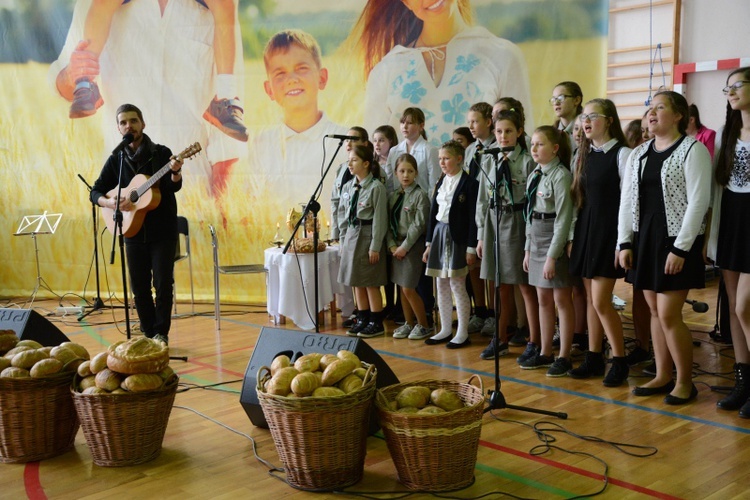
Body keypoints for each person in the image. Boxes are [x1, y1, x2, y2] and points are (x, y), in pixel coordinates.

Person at [50, 0, 245, 197]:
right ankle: (86, 86)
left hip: (192, 192)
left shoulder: (220, 8)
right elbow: (61, 82)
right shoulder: (95, 5)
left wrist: (221, 210)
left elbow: (228, 138)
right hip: (121, 194)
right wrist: (75, 75)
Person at [618, 90, 712, 405]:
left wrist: (682, 248)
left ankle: (686, 381)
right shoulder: (639, 153)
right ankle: (662, 374)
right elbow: (627, 201)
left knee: (669, 314)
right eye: (651, 109)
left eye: (661, 108)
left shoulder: (693, 150)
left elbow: (699, 202)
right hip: (645, 239)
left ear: (678, 116)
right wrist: (625, 241)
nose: (652, 113)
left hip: (675, 241)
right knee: (655, 313)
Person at [348, 0, 532, 146]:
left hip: (478, 190)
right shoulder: (387, 69)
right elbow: (374, 152)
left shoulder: (502, 56)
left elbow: (524, 141)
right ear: (406, 2)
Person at [90, 104, 183, 344]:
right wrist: (110, 203)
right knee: (139, 287)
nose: (128, 126)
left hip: (162, 230)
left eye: (133, 121)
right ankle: (147, 333)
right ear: (119, 128)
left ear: (143, 124)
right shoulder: (117, 159)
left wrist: (175, 172)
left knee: (163, 284)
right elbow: (96, 191)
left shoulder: (161, 154)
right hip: (131, 230)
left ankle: (161, 333)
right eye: (123, 122)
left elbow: (173, 186)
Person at [567, 99, 632, 386]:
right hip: (587, 229)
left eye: (592, 116)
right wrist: (573, 237)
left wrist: (623, 241)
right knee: (592, 301)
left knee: (602, 301)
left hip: (609, 231)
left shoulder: (623, 154)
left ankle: (619, 359)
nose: (586, 121)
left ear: (609, 120)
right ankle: (594, 356)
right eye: (583, 117)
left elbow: (629, 202)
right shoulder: (585, 154)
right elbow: (577, 200)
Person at [249, 29, 348, 214]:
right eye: (280, 73)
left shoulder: (345, 143)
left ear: (322, 77)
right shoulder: (261, 145)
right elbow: (254, 210)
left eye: (301, 69)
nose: (292, 79)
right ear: (269, 89)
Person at [476, 110, 540, 362]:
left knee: (524, 285)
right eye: (499, 131)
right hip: (494, 221)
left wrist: (529, 238)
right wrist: (481, 235)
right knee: (499, 284)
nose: (503, 136)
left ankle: (535, 340)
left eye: (509, 131)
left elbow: (531, 202)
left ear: (519, 132)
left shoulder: (527, 161)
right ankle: (500, 338)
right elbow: (482, 201)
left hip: (516, 222)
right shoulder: (489, 160)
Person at [707, 67, 750, 416]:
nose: (730, 92)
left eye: (737, 85)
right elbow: (719, 189)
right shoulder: (727, 133)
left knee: (744, 307)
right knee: (734, 306)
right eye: (727, 88)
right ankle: (743, 379)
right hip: (733, 220)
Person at [520, 126, 575, 377]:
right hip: (537, 236)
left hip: (554, 237)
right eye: (533, 144)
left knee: (561, 300)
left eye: (540, 145)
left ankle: (564, 355)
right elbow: (529, 216)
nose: (534, 149)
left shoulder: (561, 175)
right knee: (542, 299)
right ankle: (545, 351)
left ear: (554, 148)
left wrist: (553, 256)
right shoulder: (535, 175)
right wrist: (528, 249)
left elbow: (564, 218)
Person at [422, 140, 479, 348]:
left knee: (457, 284)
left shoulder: (470, 184)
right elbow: (433, 215)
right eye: (440, 159)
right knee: (440, 284)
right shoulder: (441, 181)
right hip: (439, 234)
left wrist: (471, 247)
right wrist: (429, 244)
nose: (442, 162)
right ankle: (445, 328)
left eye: (446, 158)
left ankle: (462, 331)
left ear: (459, 159)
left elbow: (474, 218)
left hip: (458, 239)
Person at [338, 144, 389, 338]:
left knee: (370, 281)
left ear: (366, 163)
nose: (350, 164)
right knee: (355, 280)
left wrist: (375, 246)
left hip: (368, 236)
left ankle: (376, 321)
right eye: (349, 160)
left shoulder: (376, 188)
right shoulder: (349, 186)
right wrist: (343, 239)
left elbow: (379, 220)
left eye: (355, 160)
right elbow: (343, 215)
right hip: (352, 234)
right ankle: (362, 317)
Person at [388, 154, 432, 340]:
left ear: (416, 173)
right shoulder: (394, 196)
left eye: (410, 171)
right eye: (402, 171)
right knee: (400, 286)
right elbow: (388, 223)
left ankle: (424, 325)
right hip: (396, 246)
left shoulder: (420, 196)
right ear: (396, 173)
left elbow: (418, 225)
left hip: (412, 246)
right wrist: (391, 245)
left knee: (408, 288)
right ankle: (409, 323)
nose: (406, 175)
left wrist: (404, 247)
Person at [463, 102, 495, 336]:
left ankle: (494, 314)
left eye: (475, 121)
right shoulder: (470, 149)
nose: (471, 126)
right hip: (470, 212)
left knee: (489, 266)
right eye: (469, 122)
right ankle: (480, 310)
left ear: (488, 121)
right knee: (472, 262)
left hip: (489, 213)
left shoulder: (496, 148)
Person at [384, 108, 441, 196]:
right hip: (397, 202)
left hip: (421, 203)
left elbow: (434, 184)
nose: (405, 126)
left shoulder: (430, 150)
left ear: (421, 126)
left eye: (410, 123)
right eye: (402, 122)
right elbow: (389, 182)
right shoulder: (394, 151)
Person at [551, 81, 583, 153]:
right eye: (554, 99)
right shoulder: (551, 133)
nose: (556, 103)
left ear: (577, 100)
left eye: (560, 98)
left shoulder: (586, 132)